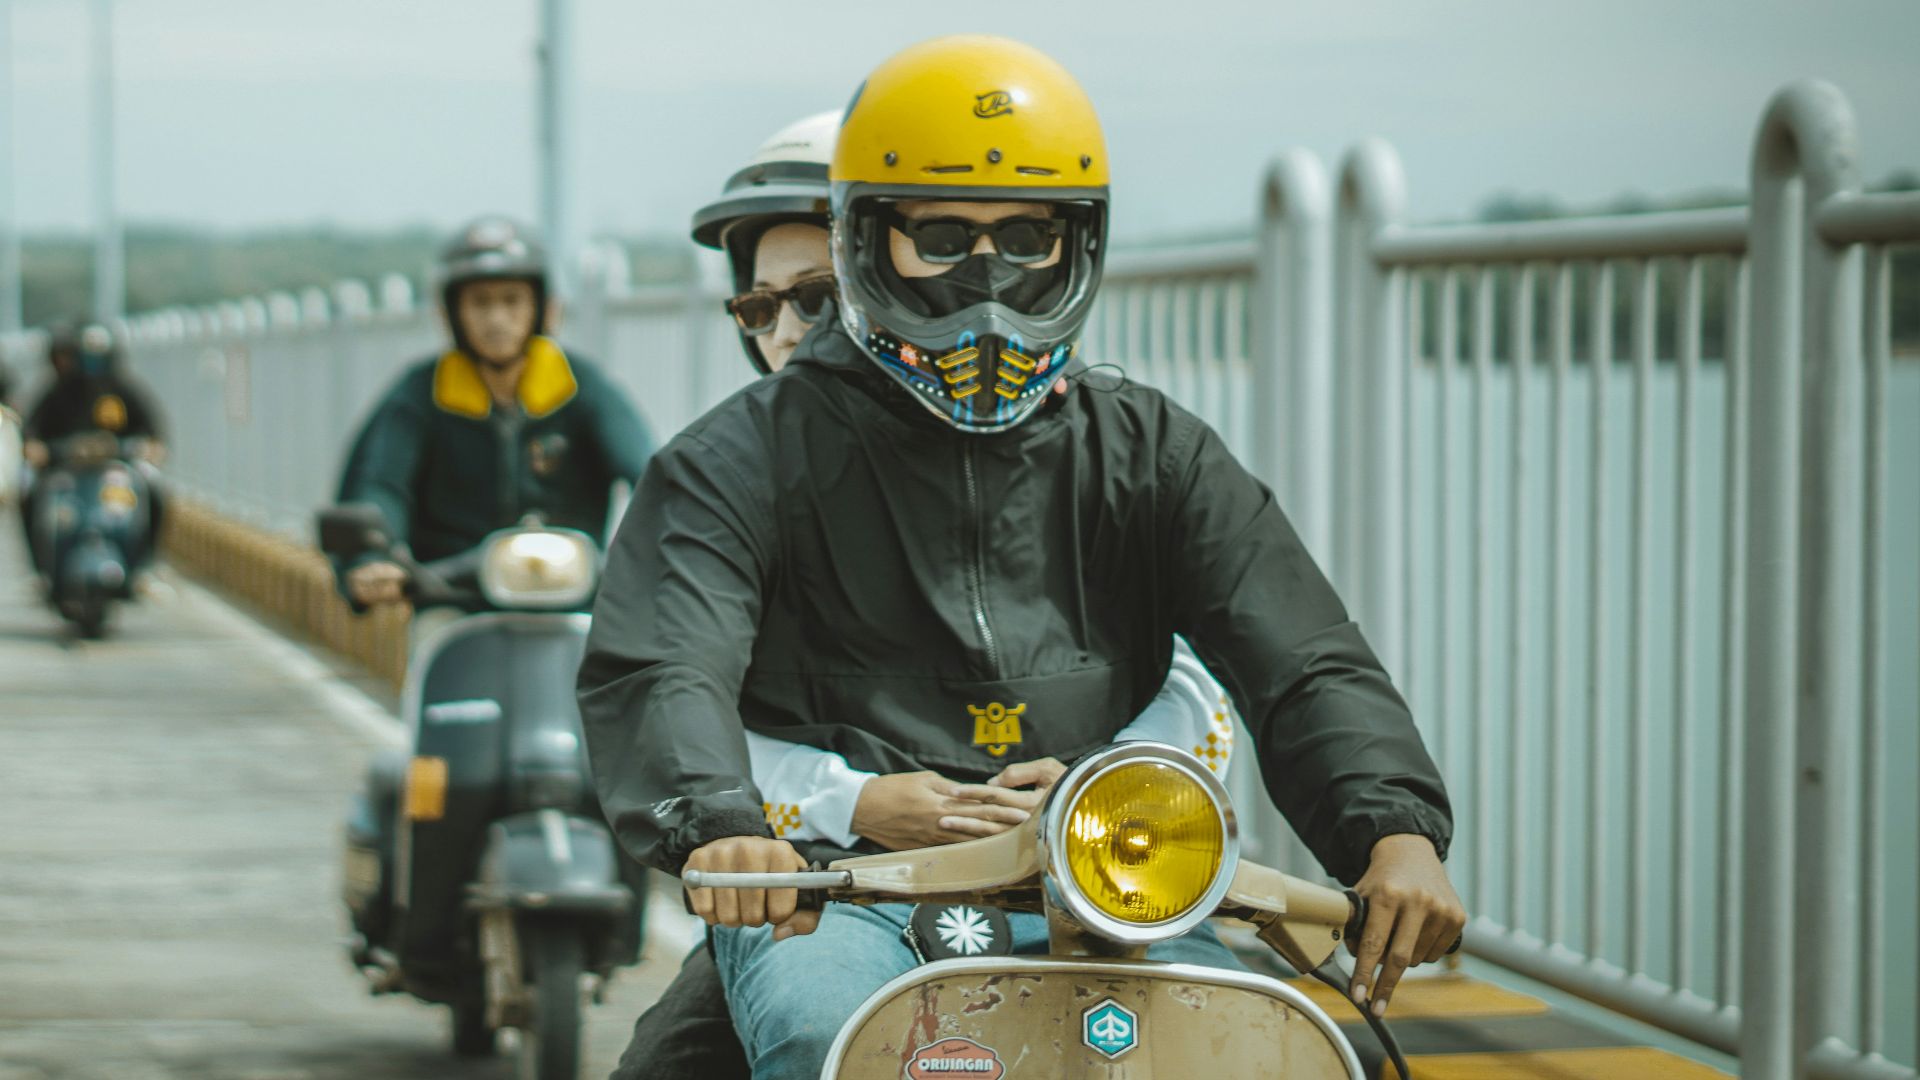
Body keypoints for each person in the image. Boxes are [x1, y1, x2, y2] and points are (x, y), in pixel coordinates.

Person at [579, 36, 1462, 1080]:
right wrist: (722, 828)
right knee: (825, 1044)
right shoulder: (735, 460)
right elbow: (667, 660)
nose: (987, 275)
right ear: (869, 237)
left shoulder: (1151, 449)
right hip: (836, 887)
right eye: (944, 236)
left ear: (1076, 242)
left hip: (1105, 871)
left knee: (1237, 1054)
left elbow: (1300, 653)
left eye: (1027, 235)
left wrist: (1392, 832)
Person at [610, 110, 1240, 1080]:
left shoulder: (1083, 452)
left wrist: (1086, 783)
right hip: (839, 886)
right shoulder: (742, 476)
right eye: (759, 310)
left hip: (1074, 879)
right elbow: (678, 691)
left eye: (816, 301)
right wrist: (851, 798)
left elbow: (1202, 674)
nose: (785, 335)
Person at [330, 216, 655, 612]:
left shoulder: (580, 388)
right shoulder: (419, 395)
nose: (497, 318)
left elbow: (648, 472)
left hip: (570, 604)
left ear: (541, 308)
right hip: (455, 605)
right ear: (452, 313)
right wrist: (370, 559)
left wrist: (675, 539)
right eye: (480, 302)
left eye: (511, 300)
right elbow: (381, 484)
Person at [17, 322, 167, 576]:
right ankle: (41, 565)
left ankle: (143, 564)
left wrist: (151, 449)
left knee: (154, 489)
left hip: (116, 468)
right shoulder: (59, 390)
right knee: (28, 489)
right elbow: (32, 430)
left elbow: (154, 432)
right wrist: (35, 449)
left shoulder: (122, 389)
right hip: (64, 468)